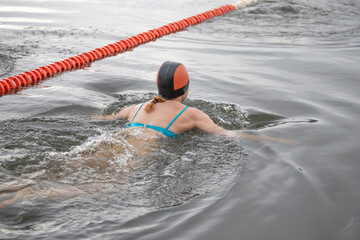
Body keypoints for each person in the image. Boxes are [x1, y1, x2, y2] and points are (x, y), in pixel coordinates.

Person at [93, 61, 296, 144]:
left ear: (158, 86)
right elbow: (227, 134)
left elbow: (101, 119)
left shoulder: (135, 108)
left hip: (116, 141)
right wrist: (276, 139)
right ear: (186, 89)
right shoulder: (191, 114)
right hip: (137, 154)